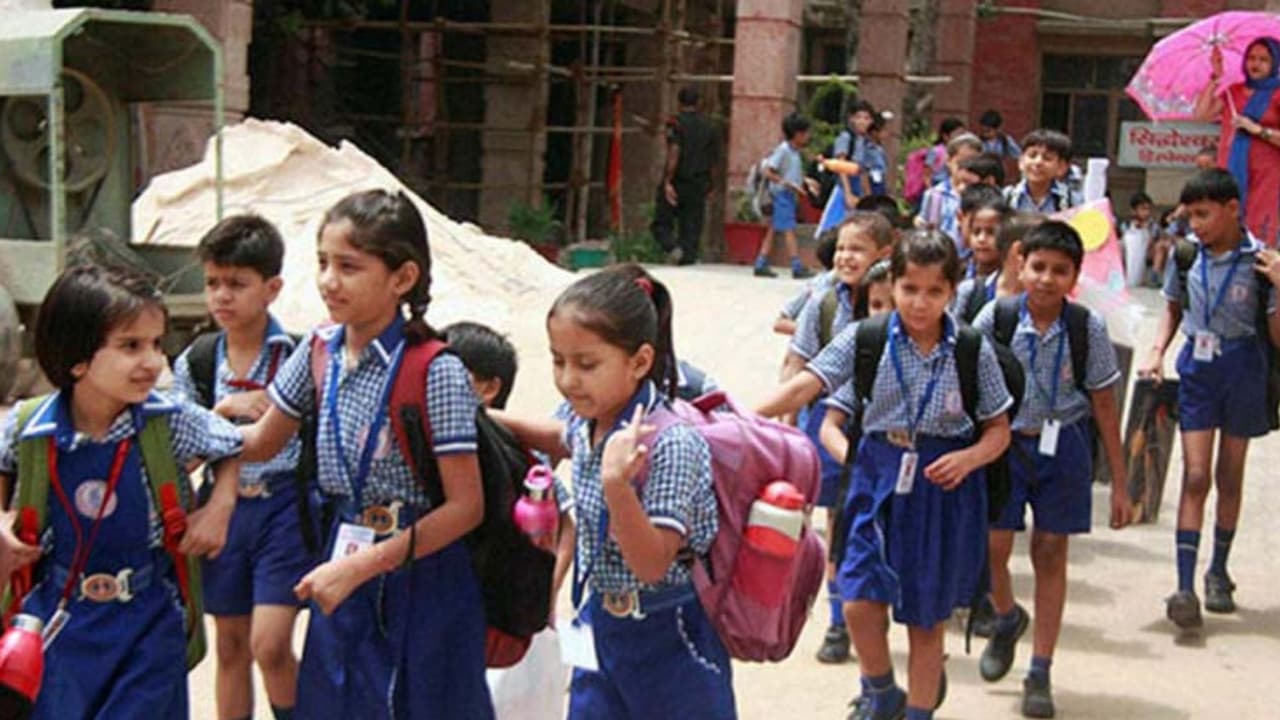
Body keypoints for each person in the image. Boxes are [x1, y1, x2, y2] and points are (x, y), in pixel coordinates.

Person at [239, 189, 494, 718]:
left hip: (423, 576)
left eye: (349, 266)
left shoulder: (436, 369)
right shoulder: (319, 351)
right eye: (323, 263)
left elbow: (466, 507)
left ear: (403, 278)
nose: (329, 281)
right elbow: (261, 440)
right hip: (345, 557)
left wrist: (363, 567)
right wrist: (169, 427)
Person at [0, 264, 245, 719]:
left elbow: (231, 443)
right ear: (77, 357)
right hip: (58, 622)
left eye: (156, 344)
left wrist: (221, 505)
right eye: (131, 346)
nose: (152, 361)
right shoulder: (29, 426)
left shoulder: (169, 421)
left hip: (147, 624)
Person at [500, 265, 735, 719]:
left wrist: (617, 486)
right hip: (600, 625)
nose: (569, 379)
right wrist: (484, 416)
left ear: (640, 362)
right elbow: (556, 436)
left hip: (670, 637)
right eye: (558, 361)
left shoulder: (672, 443)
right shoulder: (585, 420)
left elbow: (651, 564)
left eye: (587, 364)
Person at [823, 230, 1013, 720]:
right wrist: (740, 416)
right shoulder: (869, 341)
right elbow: (815, 395)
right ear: (893, 284)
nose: (920, 302)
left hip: (941, 489)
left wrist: (968, 459)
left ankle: (919, 712)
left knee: (926, 622)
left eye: (934, 291)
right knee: (857, 599)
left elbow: (999, 430)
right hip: (877, 479)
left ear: (952, 290)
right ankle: (882, 690)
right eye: (909, 289)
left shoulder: (970, 349)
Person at [971, 221, 1133, 719]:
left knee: (1050, 553)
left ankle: (1040, 669)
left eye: (1059, 271)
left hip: (1064, 445)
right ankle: (1005, 617)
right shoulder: (995, 318)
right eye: (1038, 267)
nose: (1046, 279)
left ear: (1074, 278)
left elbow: (1105, 405)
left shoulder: (1087, 328)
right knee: (992, 547)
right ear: (1020, 265)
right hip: (1004, 444)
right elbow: (966, 383)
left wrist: (1121, 484)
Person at [169, 215, 313, 720]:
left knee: (269, 644)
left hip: (283, 509)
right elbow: (180, 453)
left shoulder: (300, 356)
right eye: (213, 283)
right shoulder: (198, 361)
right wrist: (224, 413)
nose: (222, 296)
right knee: (230, 645)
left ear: (272, 288)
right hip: (222, 512)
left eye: (236, 283)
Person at [1140, 169, 1280, 629]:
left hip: (1244, 369)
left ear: (1233, 209)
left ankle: (1218, 569)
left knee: (1229, 474)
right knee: (1196, 475)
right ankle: (1184, 586)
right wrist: (1158, 351)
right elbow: (1172, 309)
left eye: (1203, 214)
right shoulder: (1185, 256)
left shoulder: (1261, 262)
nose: (1196, 224)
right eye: (1190, 216)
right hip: (1198, 372)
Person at [786, 213, 895, 664]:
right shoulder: (824, 303)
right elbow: (796, 366)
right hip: (827, 421)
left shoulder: (900, 302)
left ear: (884, 255)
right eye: (842, 248)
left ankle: (875, 609)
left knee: (874, 525)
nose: (846, 257)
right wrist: (786, 430)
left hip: (882, 426)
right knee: (835, 521)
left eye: (858, 249)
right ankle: (837, 621)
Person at [1195, 38, 1280, 246]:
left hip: (1266, 176)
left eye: (1263, 60)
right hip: (1230, 171)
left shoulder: (1277, 95)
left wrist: (1258, 130)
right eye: (1251, 58)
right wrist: (1215, 77)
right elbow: (1201, 115)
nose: (1255, 64)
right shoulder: (1233, 92)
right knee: (1225, 227)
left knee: (1258, 235)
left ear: (1275, 63)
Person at [653, 87, 719, 265]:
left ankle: (672, 247)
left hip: (678, 180)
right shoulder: (709, 127)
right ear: (698, 103)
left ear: (679, 103)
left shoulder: (675, 124)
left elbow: (674, 152)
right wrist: (711, 185)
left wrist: (667, 181)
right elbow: (713, 160)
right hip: (699, 182)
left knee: (662, 222)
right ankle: (687, 258)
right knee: (691, 227)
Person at [756, 112, 816, 279]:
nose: (808, 136)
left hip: (787, 194)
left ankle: (761, 262)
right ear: (797, 134)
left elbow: (792, 173)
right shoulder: (783, 150)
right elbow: (768, 171)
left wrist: (805, 181)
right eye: (805, 133)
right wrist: (786, 183)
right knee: (789, 230)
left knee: (773, 229)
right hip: (782, 195)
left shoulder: (794, 152)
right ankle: (796, 265)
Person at [918, 132, 984, 252]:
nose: (966, 169)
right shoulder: (935, 195)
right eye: (961, 163)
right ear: (949, 161)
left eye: (973, 164)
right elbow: (925, 232)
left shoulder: (984, 195)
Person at [951, 186, 1010, 321]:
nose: (982, 239)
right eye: (976, 232)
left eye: (991, 232)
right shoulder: (957, 272)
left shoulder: (1009, 281)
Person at [1003, 130, 1082, 214]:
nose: (1038, 162)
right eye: (1032, 155)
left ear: (1061, 167)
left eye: (1047, 158)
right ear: (1021, 162)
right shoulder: (1006, 197)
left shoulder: (1073, 201)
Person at [927, 117, 966, 185]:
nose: (961, 138)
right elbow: (927, 174)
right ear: (945, 136)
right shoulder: (935, 151)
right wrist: (930, 189)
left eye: (963, 134)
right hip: (938, 183)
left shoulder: (962, 151)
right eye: (958, 135)